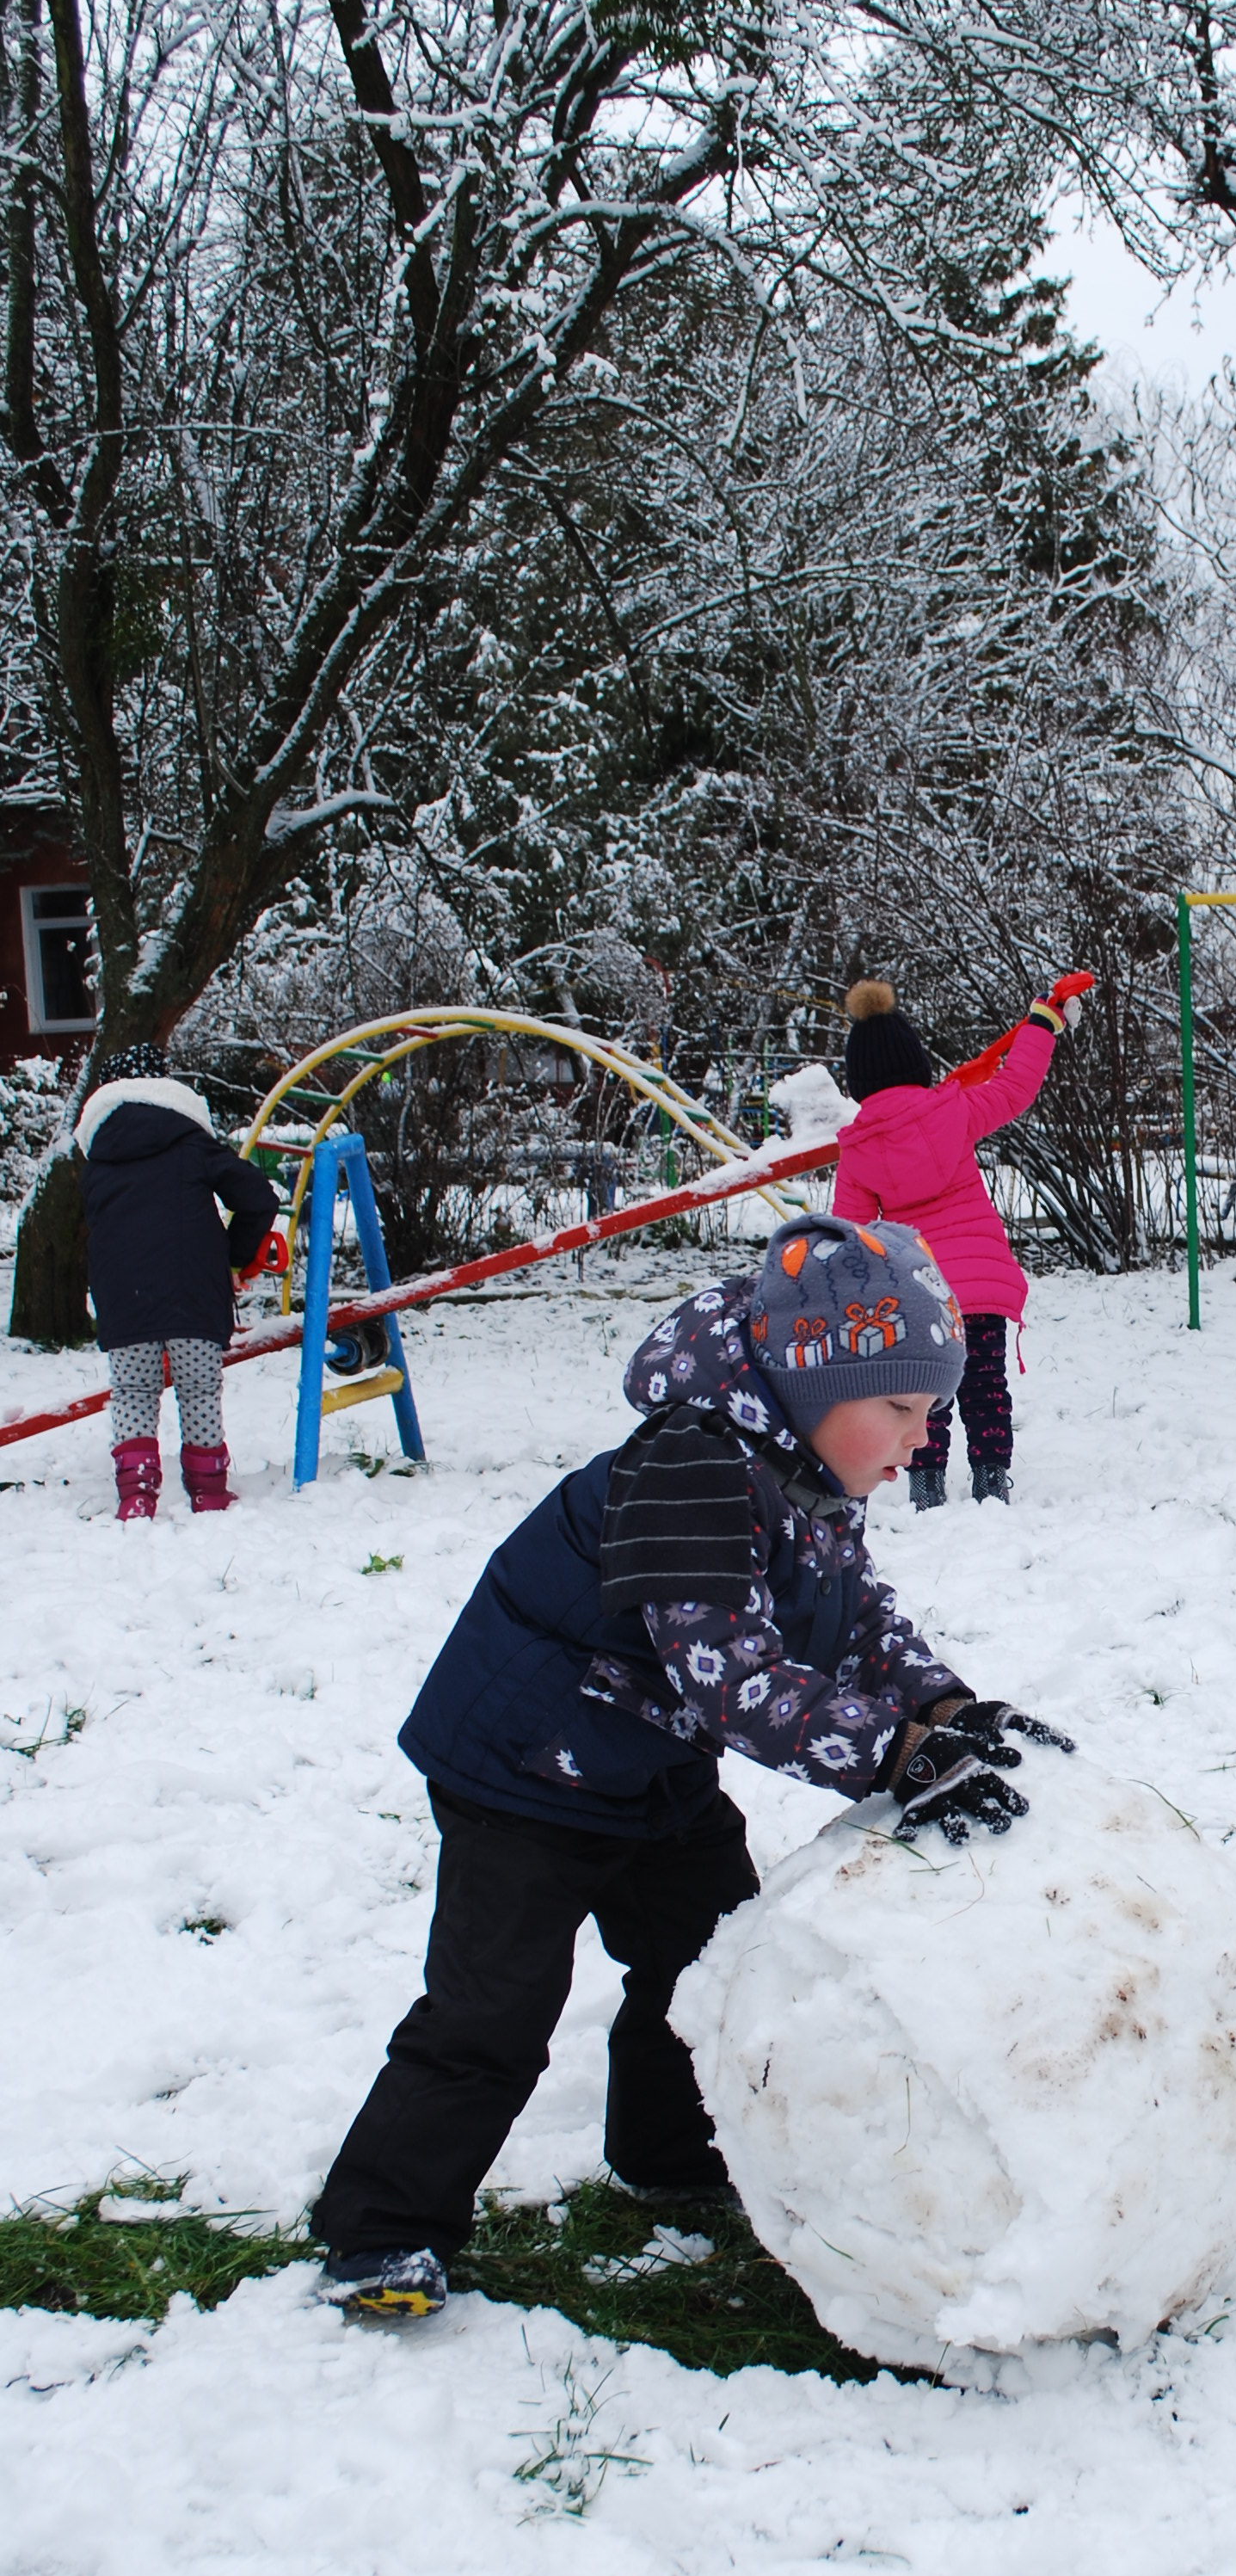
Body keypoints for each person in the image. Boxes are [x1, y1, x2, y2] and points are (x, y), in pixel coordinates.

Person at [311, 1212, 1072, 2322]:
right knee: (495, 2010)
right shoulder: (693, 1466)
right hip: (527, 1769)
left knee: (706, 1963)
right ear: (820, 1386)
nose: (919, 1438)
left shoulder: (806, 1475)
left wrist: (948, 1706)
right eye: (902, 1409)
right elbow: (730, 1676)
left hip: (645, 1761)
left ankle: (671, 2153)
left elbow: (855, 1622)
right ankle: (379, 2229)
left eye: (931, 1412)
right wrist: (898, 1756)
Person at [830, 977, 1076, 1506]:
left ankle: (926, 1488)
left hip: (921, 1293)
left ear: (858, 1081)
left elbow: (853, 1234)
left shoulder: (857, 1151)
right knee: (985, 1384)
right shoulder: (954, 1110)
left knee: (924, 1395)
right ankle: (990, 1482)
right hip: (980, 1285)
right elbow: (1016, 1087)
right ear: (916, 1061)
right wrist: (1042, 1024)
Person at [75, 1042, 280, 1519]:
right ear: (164, 1087)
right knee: (199, 1388)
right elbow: (256, 1195)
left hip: (123, 1295)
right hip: (192, 1291)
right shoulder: (191, 1144)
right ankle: (208, 1491)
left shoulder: (97, 1160)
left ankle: (137, 1495)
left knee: (132, 1390)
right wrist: (232, 1254)